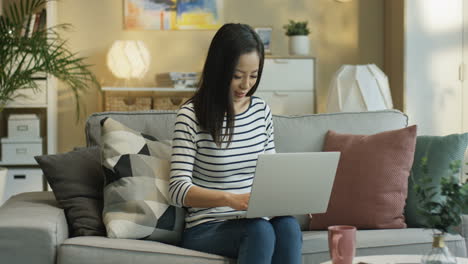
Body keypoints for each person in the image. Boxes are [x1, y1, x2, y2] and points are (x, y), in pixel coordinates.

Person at [169, 23, 302, 264]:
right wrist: (230, 199)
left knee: (289, 227)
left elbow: (272, 174)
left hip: (257, 218)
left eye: (254, 75)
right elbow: (178, 190)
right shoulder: (191, 116)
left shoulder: (261, 111)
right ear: (219, 70)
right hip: (208, 225)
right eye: (237, 76)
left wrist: (291, 197)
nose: (246, 85)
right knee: (259, 232)